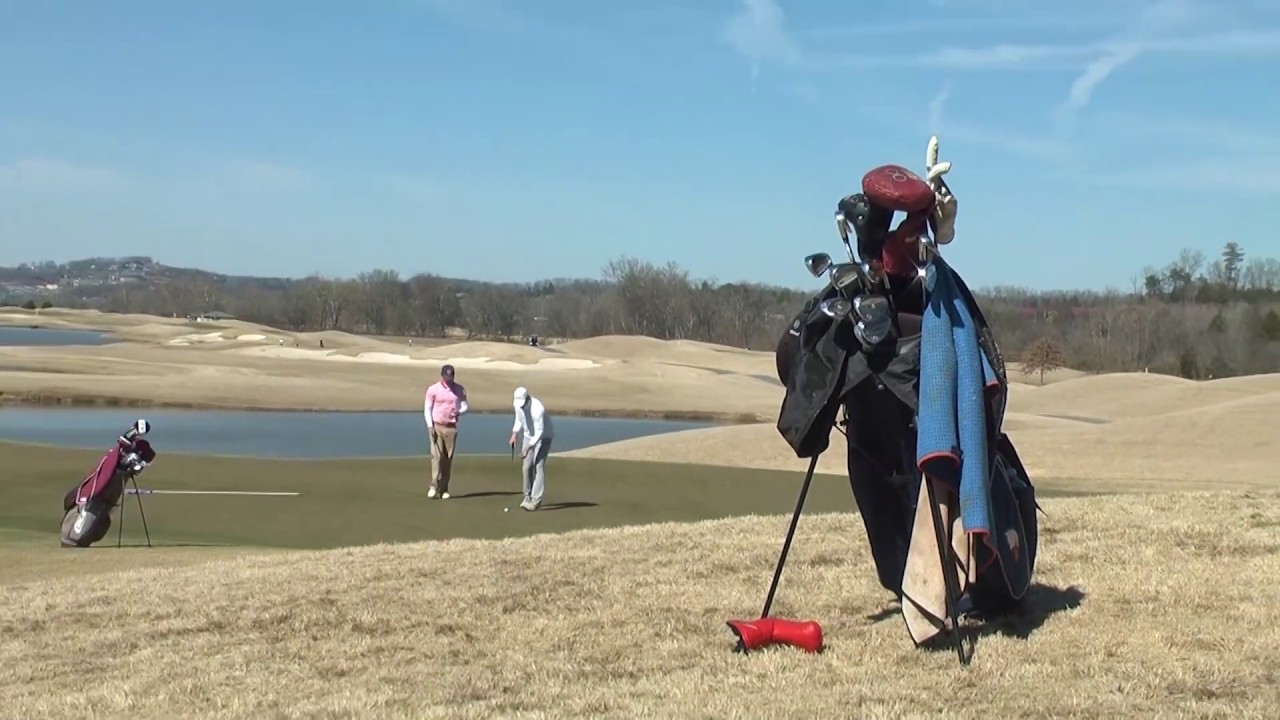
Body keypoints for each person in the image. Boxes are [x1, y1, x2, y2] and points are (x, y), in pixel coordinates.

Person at [424, 364, 468, 499]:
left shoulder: (459, 389)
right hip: (436, 425)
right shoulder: (433, 389)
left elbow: (465, 405)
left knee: (447, 459)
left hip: (451, 427)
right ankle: (433, 485)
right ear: (442, 375)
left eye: (450, 377)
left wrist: (459, 411)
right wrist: (430, 426)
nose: (448, 380)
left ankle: (444, 489)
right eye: (446, 377)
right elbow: (427, 408)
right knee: (436, 457)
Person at [508, 386, 554, 511]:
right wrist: (514, 434)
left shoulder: (538, 409)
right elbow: (519, 419)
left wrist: (528, 447)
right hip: (528, 435)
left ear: (528, 399)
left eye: (523, 404)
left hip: (544, 436)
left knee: (538, 465)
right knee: (526, 466)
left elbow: (539, 431)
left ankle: (535, 500)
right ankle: (527, 496)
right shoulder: (517, 404)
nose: (521, 406)